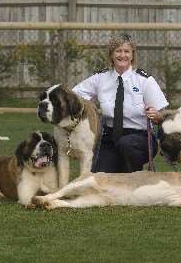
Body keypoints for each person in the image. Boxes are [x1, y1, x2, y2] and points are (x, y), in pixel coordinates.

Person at [72, 34, 168, 173]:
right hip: (109, 138)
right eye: (118, 51)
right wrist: (89, 107)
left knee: (126, 146)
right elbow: (75, 96)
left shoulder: (144, 80)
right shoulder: (100, 78)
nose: (122, 55)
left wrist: (157, 116)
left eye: (127, 51)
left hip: (139, 138)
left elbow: (162, 117)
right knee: (99, 179)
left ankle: (134, 182)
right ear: (111, 55)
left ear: (132, 55)